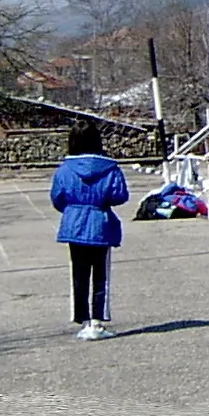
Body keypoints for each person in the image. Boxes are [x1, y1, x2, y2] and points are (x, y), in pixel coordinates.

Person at [50, 122, 128, 340]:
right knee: (101, 276)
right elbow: (120, 195)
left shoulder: (65, 169)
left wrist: (72, 209)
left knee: (79, 274)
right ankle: (98, 320)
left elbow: (57, 197)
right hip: (101, 223)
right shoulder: (111, 168)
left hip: (74, 224)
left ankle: (82, 319)